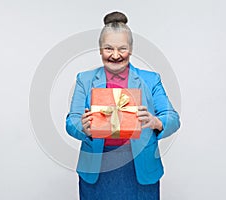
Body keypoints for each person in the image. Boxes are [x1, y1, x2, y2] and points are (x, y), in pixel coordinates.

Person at [66, 11, 180, 200]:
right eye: (109, 48)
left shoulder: (150, 80)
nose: (115, 55)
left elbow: (173, 118)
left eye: (122, 48)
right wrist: (83, 128)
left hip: (140, 168)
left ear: (131, 49)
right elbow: (71, 122)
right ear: (100, 50)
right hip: (98, 169)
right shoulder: (84, 80)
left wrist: (155, 122)